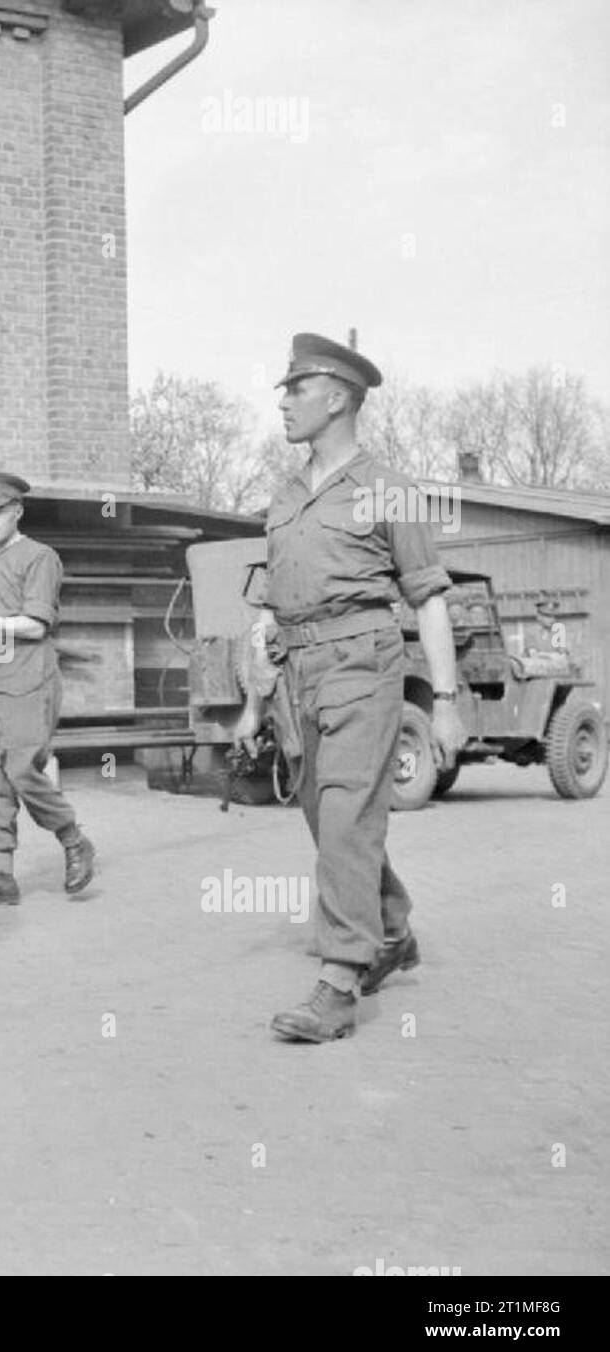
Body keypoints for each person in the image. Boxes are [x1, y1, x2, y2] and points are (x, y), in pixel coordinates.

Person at [233, 334, 466, 1042]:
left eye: (295, 388)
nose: (283, 401)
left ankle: (339, 982)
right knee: (329, 817)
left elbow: (427, 600)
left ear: (337, 396)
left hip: (363, 664)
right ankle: (390, 928)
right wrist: (252, 699)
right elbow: (268, 610)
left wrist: (448, 703)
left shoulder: (392, 491)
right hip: (296, 674)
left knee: (343, 818)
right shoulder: (283, 496)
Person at [0, 471, 95, 906]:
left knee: (21, 769)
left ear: (17, 511)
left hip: (29, 677)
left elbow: (35, 626)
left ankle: (73, 839)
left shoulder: (40, 557)